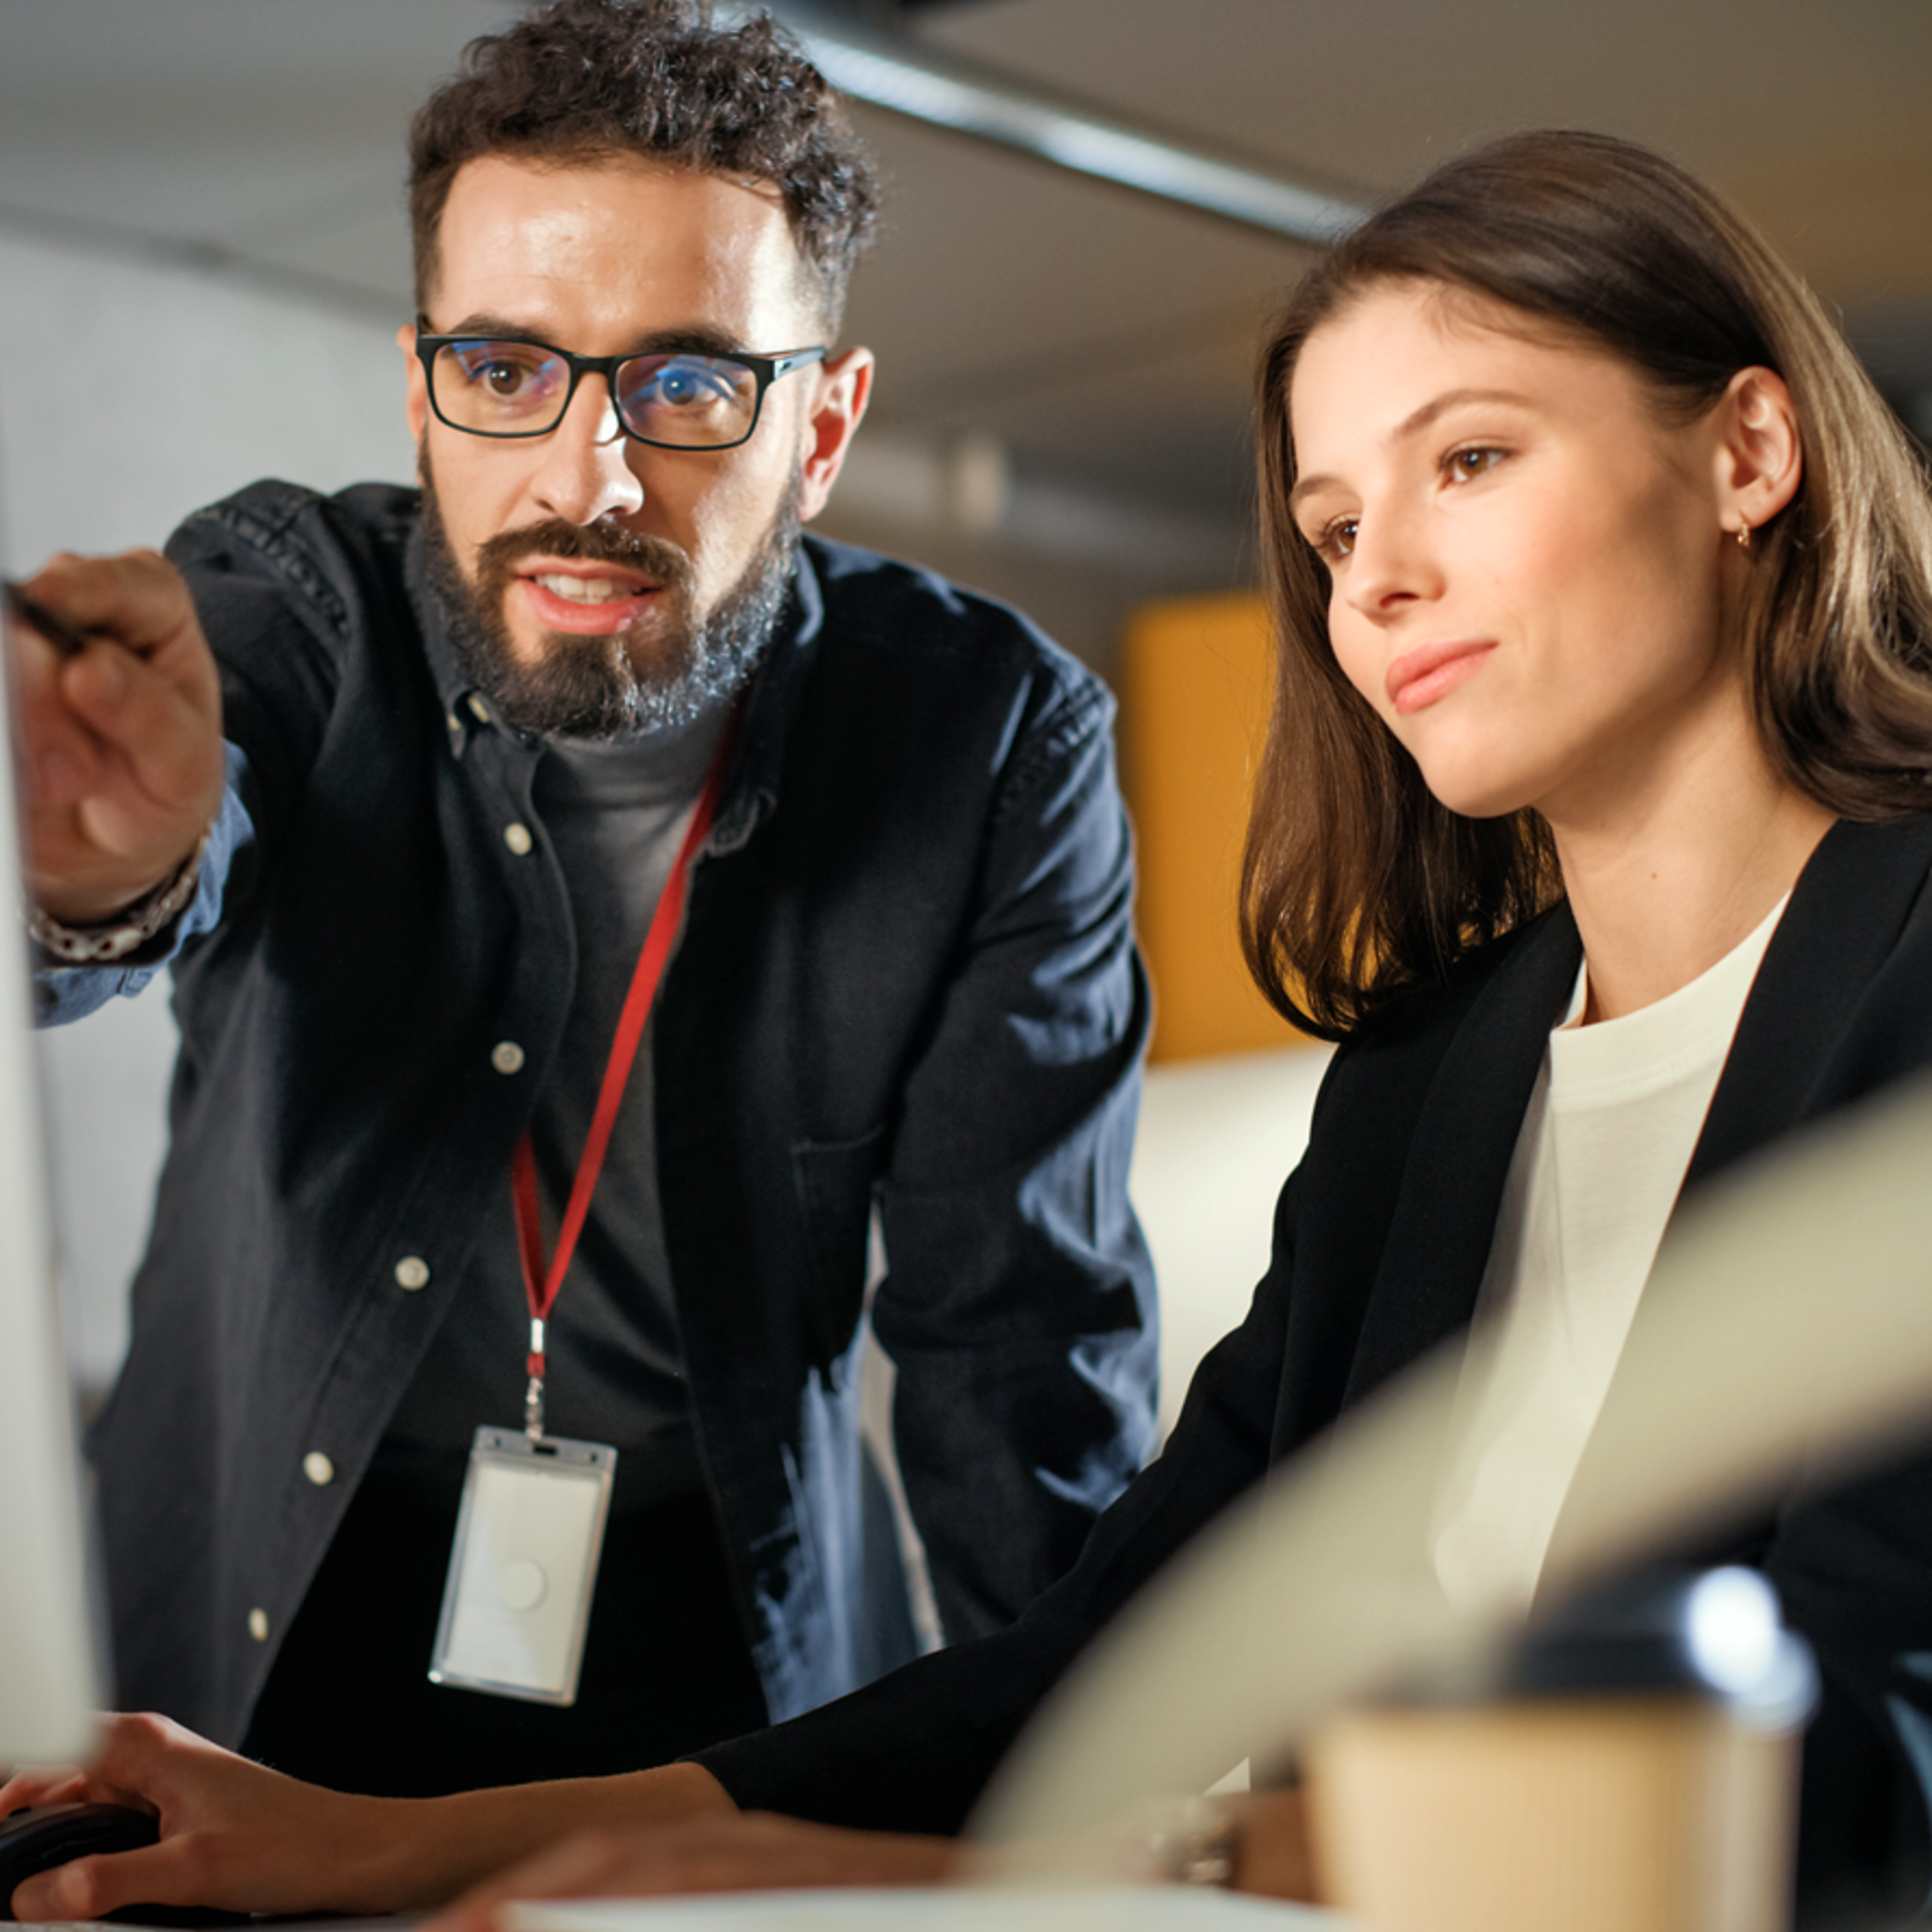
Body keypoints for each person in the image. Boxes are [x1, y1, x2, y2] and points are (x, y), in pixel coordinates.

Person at [11, 126, 1932, 1929]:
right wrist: (384, 1846)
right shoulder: (1432, 1084)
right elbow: (1107, 1661)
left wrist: (1101, 1863)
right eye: (1333, 531)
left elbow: (1867, 1764)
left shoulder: (1895, 990)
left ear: (1750, 450)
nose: (1383, 581)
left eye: (1473, 462)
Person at [3, 0, 1156, 1807]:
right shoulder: (291, 601)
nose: (586, 481)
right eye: (509, 370)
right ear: (422, 387)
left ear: (827, 428)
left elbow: (1020, 1348)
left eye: (688, 382)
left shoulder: (992, 743)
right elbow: (168, 836)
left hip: (728, 1627)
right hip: (257, 1603)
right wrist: (93, 876)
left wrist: (1112, 1810)